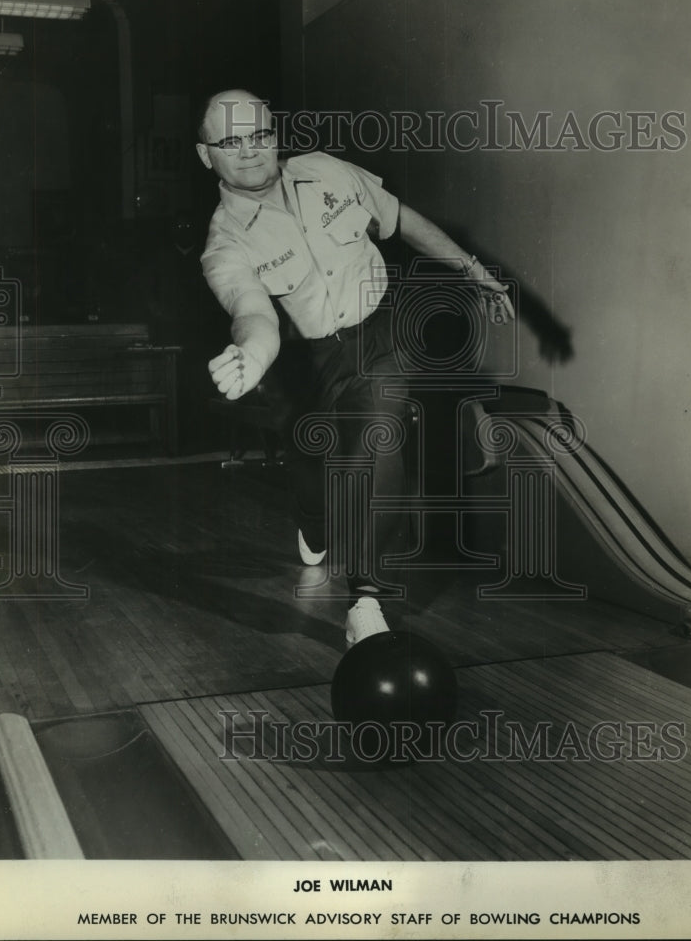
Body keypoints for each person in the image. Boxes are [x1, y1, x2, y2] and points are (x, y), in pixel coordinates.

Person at [196, 89, 514, 646]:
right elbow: (253, 313)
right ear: (207, 156)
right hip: (301, 359)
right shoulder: (224, 243)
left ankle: (367, 599)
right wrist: (250, 354)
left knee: (381, 439)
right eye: (231, 141)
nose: (250, 151)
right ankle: (312, 524)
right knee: (313, 470)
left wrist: (470, 267)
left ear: (276, 136)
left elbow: (401, 220)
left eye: (260, 135)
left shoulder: (328, 172)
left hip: (376, 337)